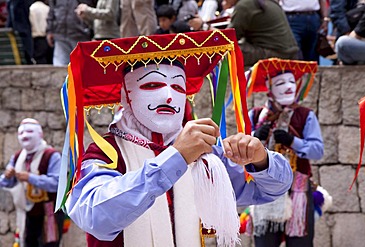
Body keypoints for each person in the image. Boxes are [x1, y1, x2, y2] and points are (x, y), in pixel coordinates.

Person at [56, 29, 293, 246]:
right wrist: (175, 158)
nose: (169, 97)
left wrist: (261, 160)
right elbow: (96, 216)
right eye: (152, 84)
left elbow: (270, 190)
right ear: (126, 96)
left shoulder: (204, 154)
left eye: (179, 88)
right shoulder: (105, 153)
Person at [246, 58, 324, 247]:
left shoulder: (305, 115)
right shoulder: (255, 115)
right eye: (280, 83)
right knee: (265, 242)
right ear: (269, 87)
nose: (288, 87)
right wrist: (256, 136)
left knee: (300, 242)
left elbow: (317, 150)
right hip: (265, 187)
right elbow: (241, 151)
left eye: (291, 81)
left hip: (298, 188)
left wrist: (293, 142)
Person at [0, 118, 64, 247]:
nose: (25, 136)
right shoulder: (18, 157)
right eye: (21, 133)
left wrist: (30, 177)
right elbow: (5, 183)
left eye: (29, 131)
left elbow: (57, 183)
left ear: (40, 134)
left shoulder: (52, 155)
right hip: (26, 214)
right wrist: (7, 177)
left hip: (48, 214)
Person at [225, 0, 299, 67]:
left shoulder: (244, 5)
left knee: (224, 51)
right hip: (289, 53)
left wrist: (215, 34)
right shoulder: (267, 2)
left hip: (274, 53)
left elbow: (230, 38)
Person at [46, 0, 93, 66]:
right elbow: (52, 10)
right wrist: (49, 30)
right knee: (60, 67)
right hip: (60, 34)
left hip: (80, 35)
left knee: (80, 66)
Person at [29, 0, 54, 64]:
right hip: (48, 38)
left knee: (40, 60)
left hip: (37, 38)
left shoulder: (31, 8)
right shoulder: (47, 8)